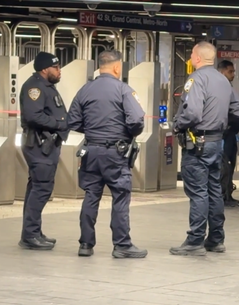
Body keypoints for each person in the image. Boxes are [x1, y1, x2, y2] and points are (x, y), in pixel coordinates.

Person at [67, 50, 147, 258]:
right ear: (117, 67)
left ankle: (85, 244)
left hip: (90, 151)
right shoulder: (123, 90)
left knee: (91, 196)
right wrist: (126, 133)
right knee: (120, 196)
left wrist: (94, 132)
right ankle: (122, 245)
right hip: (115, 153)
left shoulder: (85, 90)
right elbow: (137, 120)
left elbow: (73, 121)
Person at [170, 41, 239, 256]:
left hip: (197, 143)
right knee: (214, 190)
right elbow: (236, 108)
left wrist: (177, 124)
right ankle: (216, 239)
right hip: (216, 142)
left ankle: (194, 240)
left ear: (198, 57)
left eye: (192, 54)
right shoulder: (223, 80)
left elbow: (192, 113)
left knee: (198, 192)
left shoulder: (196, 79)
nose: (191, 57)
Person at [18, 51, 69, 250]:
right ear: (44, 69)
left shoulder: (46, 86)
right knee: (41, 189)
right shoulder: (35, 87)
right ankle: (30, 236)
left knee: (37, 188)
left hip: (45, 145)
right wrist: (58, 124)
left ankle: (33, 232)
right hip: (39, 145)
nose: (59, 71)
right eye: (56, 67)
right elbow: (33, 116)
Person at [217, 60, 239, 207]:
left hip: (231, 132)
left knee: (230, 163)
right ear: (222, 72)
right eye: (230, 71)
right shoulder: (219, 88)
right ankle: (222, 196)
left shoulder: (228, 87)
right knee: (225, 164)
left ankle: (228, 193)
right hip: (225, 132)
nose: (233, 74)